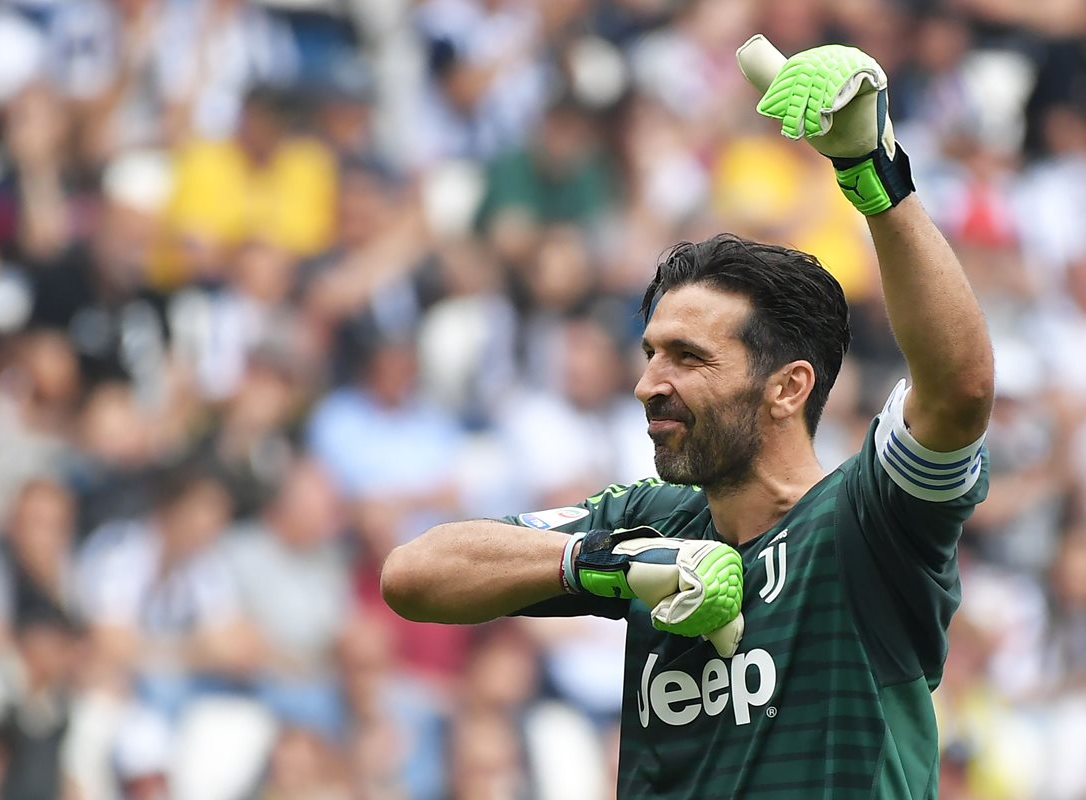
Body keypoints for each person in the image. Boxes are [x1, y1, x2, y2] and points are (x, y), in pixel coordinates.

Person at [381, 37, 995, 799]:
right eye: (649, 354)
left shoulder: (869, 523)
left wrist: (875, 179)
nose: (646, 385)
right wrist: (612, 566)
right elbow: (413, 574)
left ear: (788, 388)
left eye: (687, 358)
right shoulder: (647, 521)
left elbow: (960, 389)